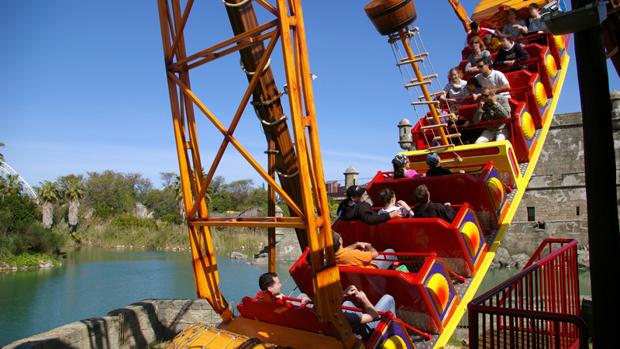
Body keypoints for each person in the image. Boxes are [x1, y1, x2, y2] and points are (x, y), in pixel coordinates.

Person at [337, 185, 402, 224]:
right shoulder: (361, 206)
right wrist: (390, 215)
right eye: (361, 195)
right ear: (353, 198)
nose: (364, 195)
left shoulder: (344, 205)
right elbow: (370, 219)